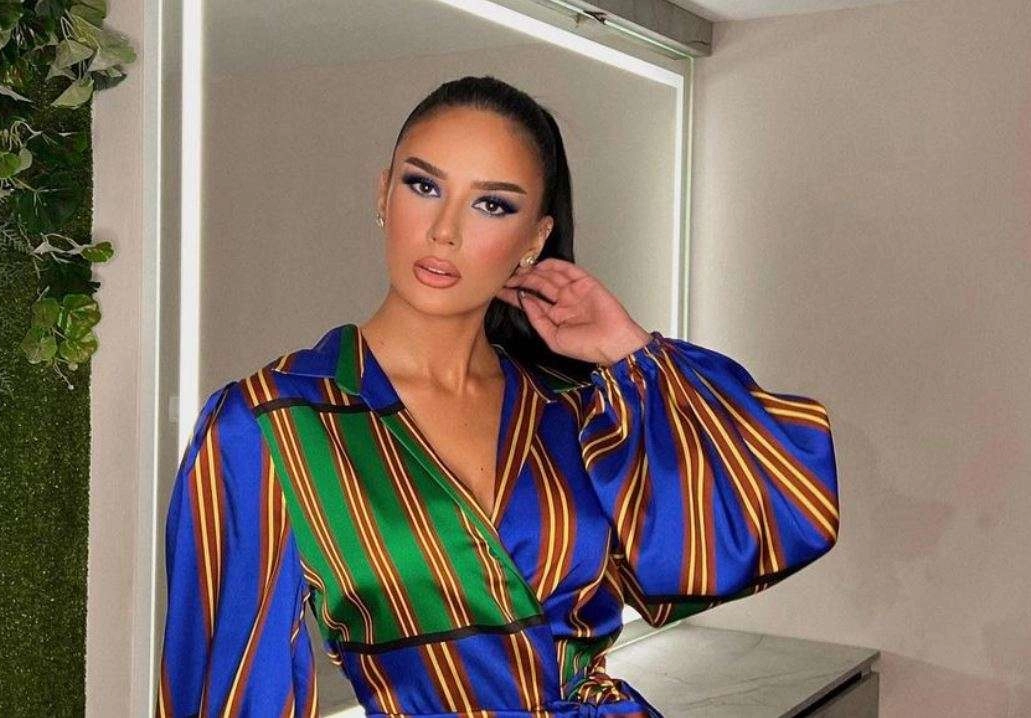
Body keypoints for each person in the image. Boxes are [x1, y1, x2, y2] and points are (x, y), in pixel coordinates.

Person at [156, 75, 840, 718]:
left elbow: (762, 527)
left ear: (534, 238)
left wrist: (630, 351)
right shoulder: (270, 422)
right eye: (424, 185)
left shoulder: (573, 410)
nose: (445, 230)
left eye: (492, 204)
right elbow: (225, 687)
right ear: (383, 193)